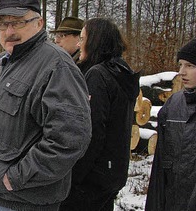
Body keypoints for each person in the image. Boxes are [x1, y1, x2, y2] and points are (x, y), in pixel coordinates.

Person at [0, 0, 92, 211]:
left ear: (39, 23)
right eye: (3, 24)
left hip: (25, 200)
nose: (9, 32)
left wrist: (16, 177)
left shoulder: (56, 65)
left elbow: (69, 139)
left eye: (18, 23)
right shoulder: (7, 63)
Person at [59, 18, 140, 211]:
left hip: (91, 177)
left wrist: (74, 177)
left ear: (95, 41)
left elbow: (92, 132)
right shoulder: (121, 71)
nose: (79, 44)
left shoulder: (98, 75)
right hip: (112, 171)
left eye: (82, 38)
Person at [145, 36, 196, 211]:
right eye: (180, 65)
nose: (182, 72)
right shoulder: (173, 105)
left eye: (190, 65)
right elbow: (160, 168)